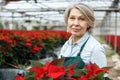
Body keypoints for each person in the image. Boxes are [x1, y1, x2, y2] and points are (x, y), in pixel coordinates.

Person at [58, 3, 107, 68]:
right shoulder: (66, 45)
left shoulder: (95, 49)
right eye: (72, 18)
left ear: (89, 23)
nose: (76, 23)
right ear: (67, 21)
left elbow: (102, 76)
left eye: (82, 19)